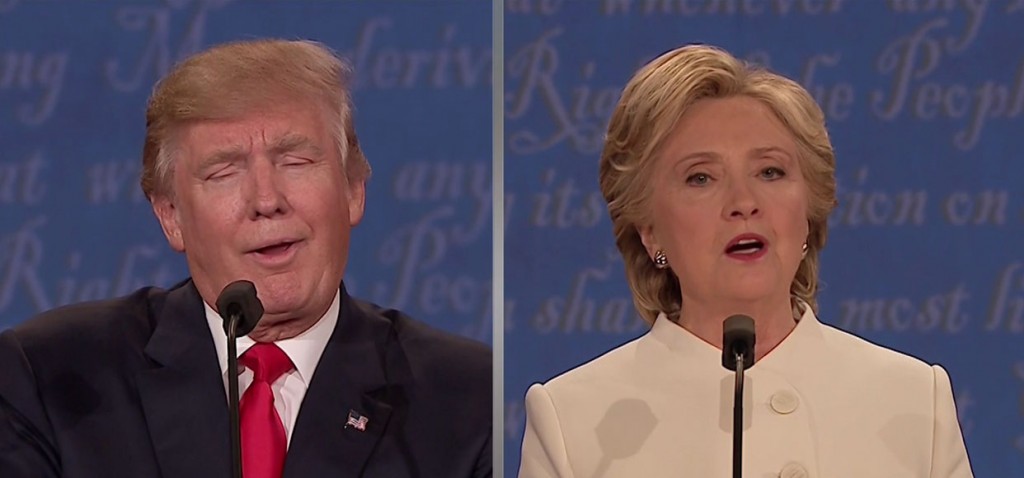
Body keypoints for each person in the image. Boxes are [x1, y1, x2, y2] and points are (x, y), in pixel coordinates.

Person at [0, 39, 492, 478]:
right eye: (223, 173)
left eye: (295, 161)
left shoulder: (467, 398)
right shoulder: (54, 377)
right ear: (170, 215)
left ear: (353, 191)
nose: (266, 199)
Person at [517, 44, 973, 477]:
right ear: (649, 229)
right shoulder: (573, 421)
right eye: (701, 178)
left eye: (770, 171)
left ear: (809, 212)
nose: (743, 202)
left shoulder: (914, 400)